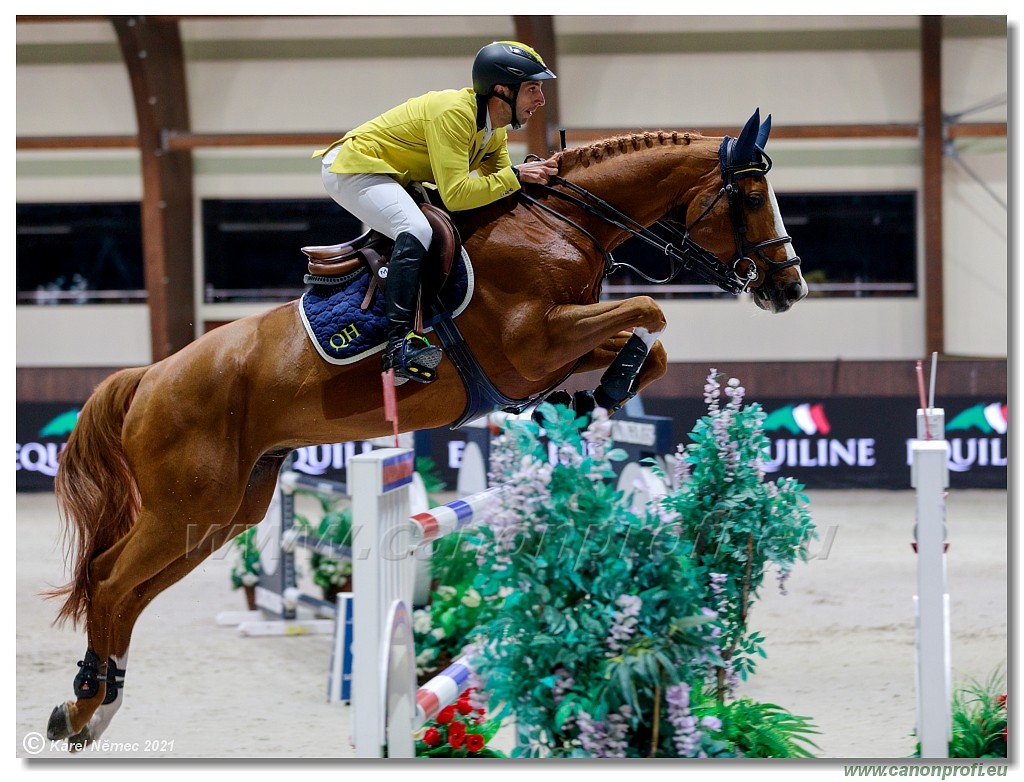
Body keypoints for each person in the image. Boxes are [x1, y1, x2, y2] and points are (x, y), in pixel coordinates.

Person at [314, 41, 558, 385]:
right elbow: (457, 194)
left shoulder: (494, 131)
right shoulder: (454, 114)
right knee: (415, 228)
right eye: (533, 88)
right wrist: (517, 175)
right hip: (354, 168)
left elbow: (502, 190)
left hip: (396, 175)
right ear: (502, 89)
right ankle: (399, 344)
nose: (541, 100)